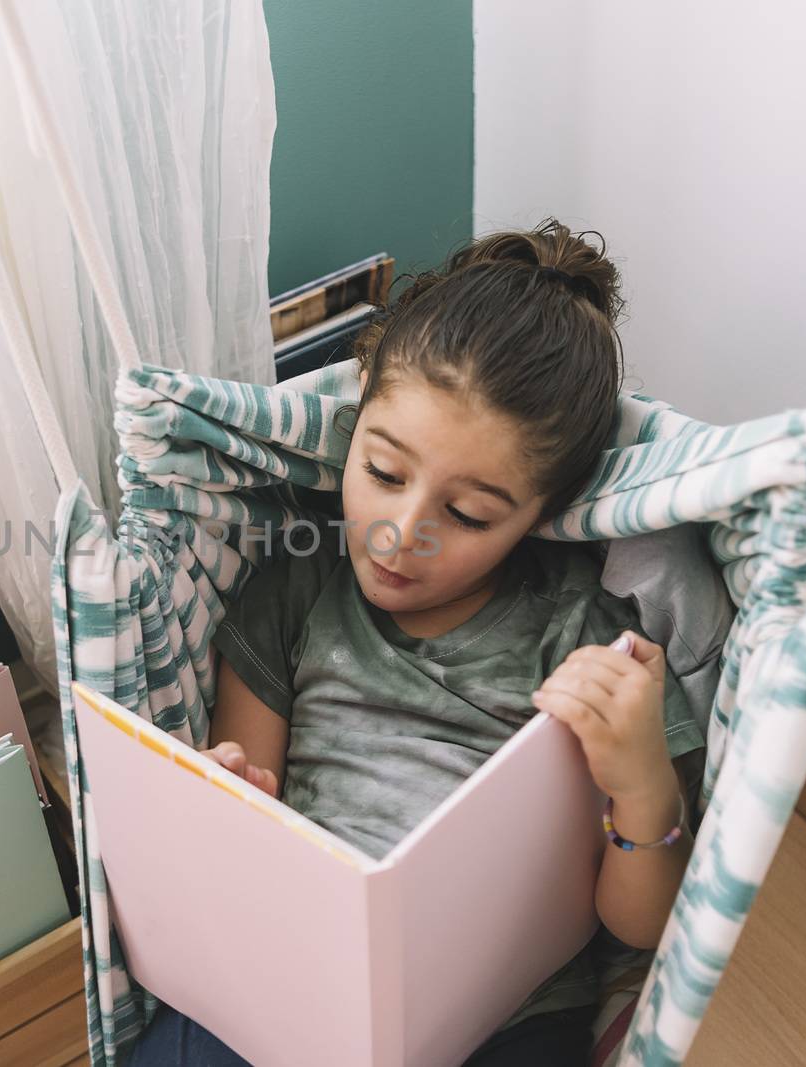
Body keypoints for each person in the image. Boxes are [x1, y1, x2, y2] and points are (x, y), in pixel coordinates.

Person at [127, 219, 708, 1066]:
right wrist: (231, 801)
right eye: (385, 473)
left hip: (502, 1014)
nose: (402, 534)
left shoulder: (585, 639)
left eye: (468, 514)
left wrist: (643, 784)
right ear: (353, 424)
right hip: (299, 971)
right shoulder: (294, 591)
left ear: (541, 514)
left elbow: (642, 925)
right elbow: (249, 808)